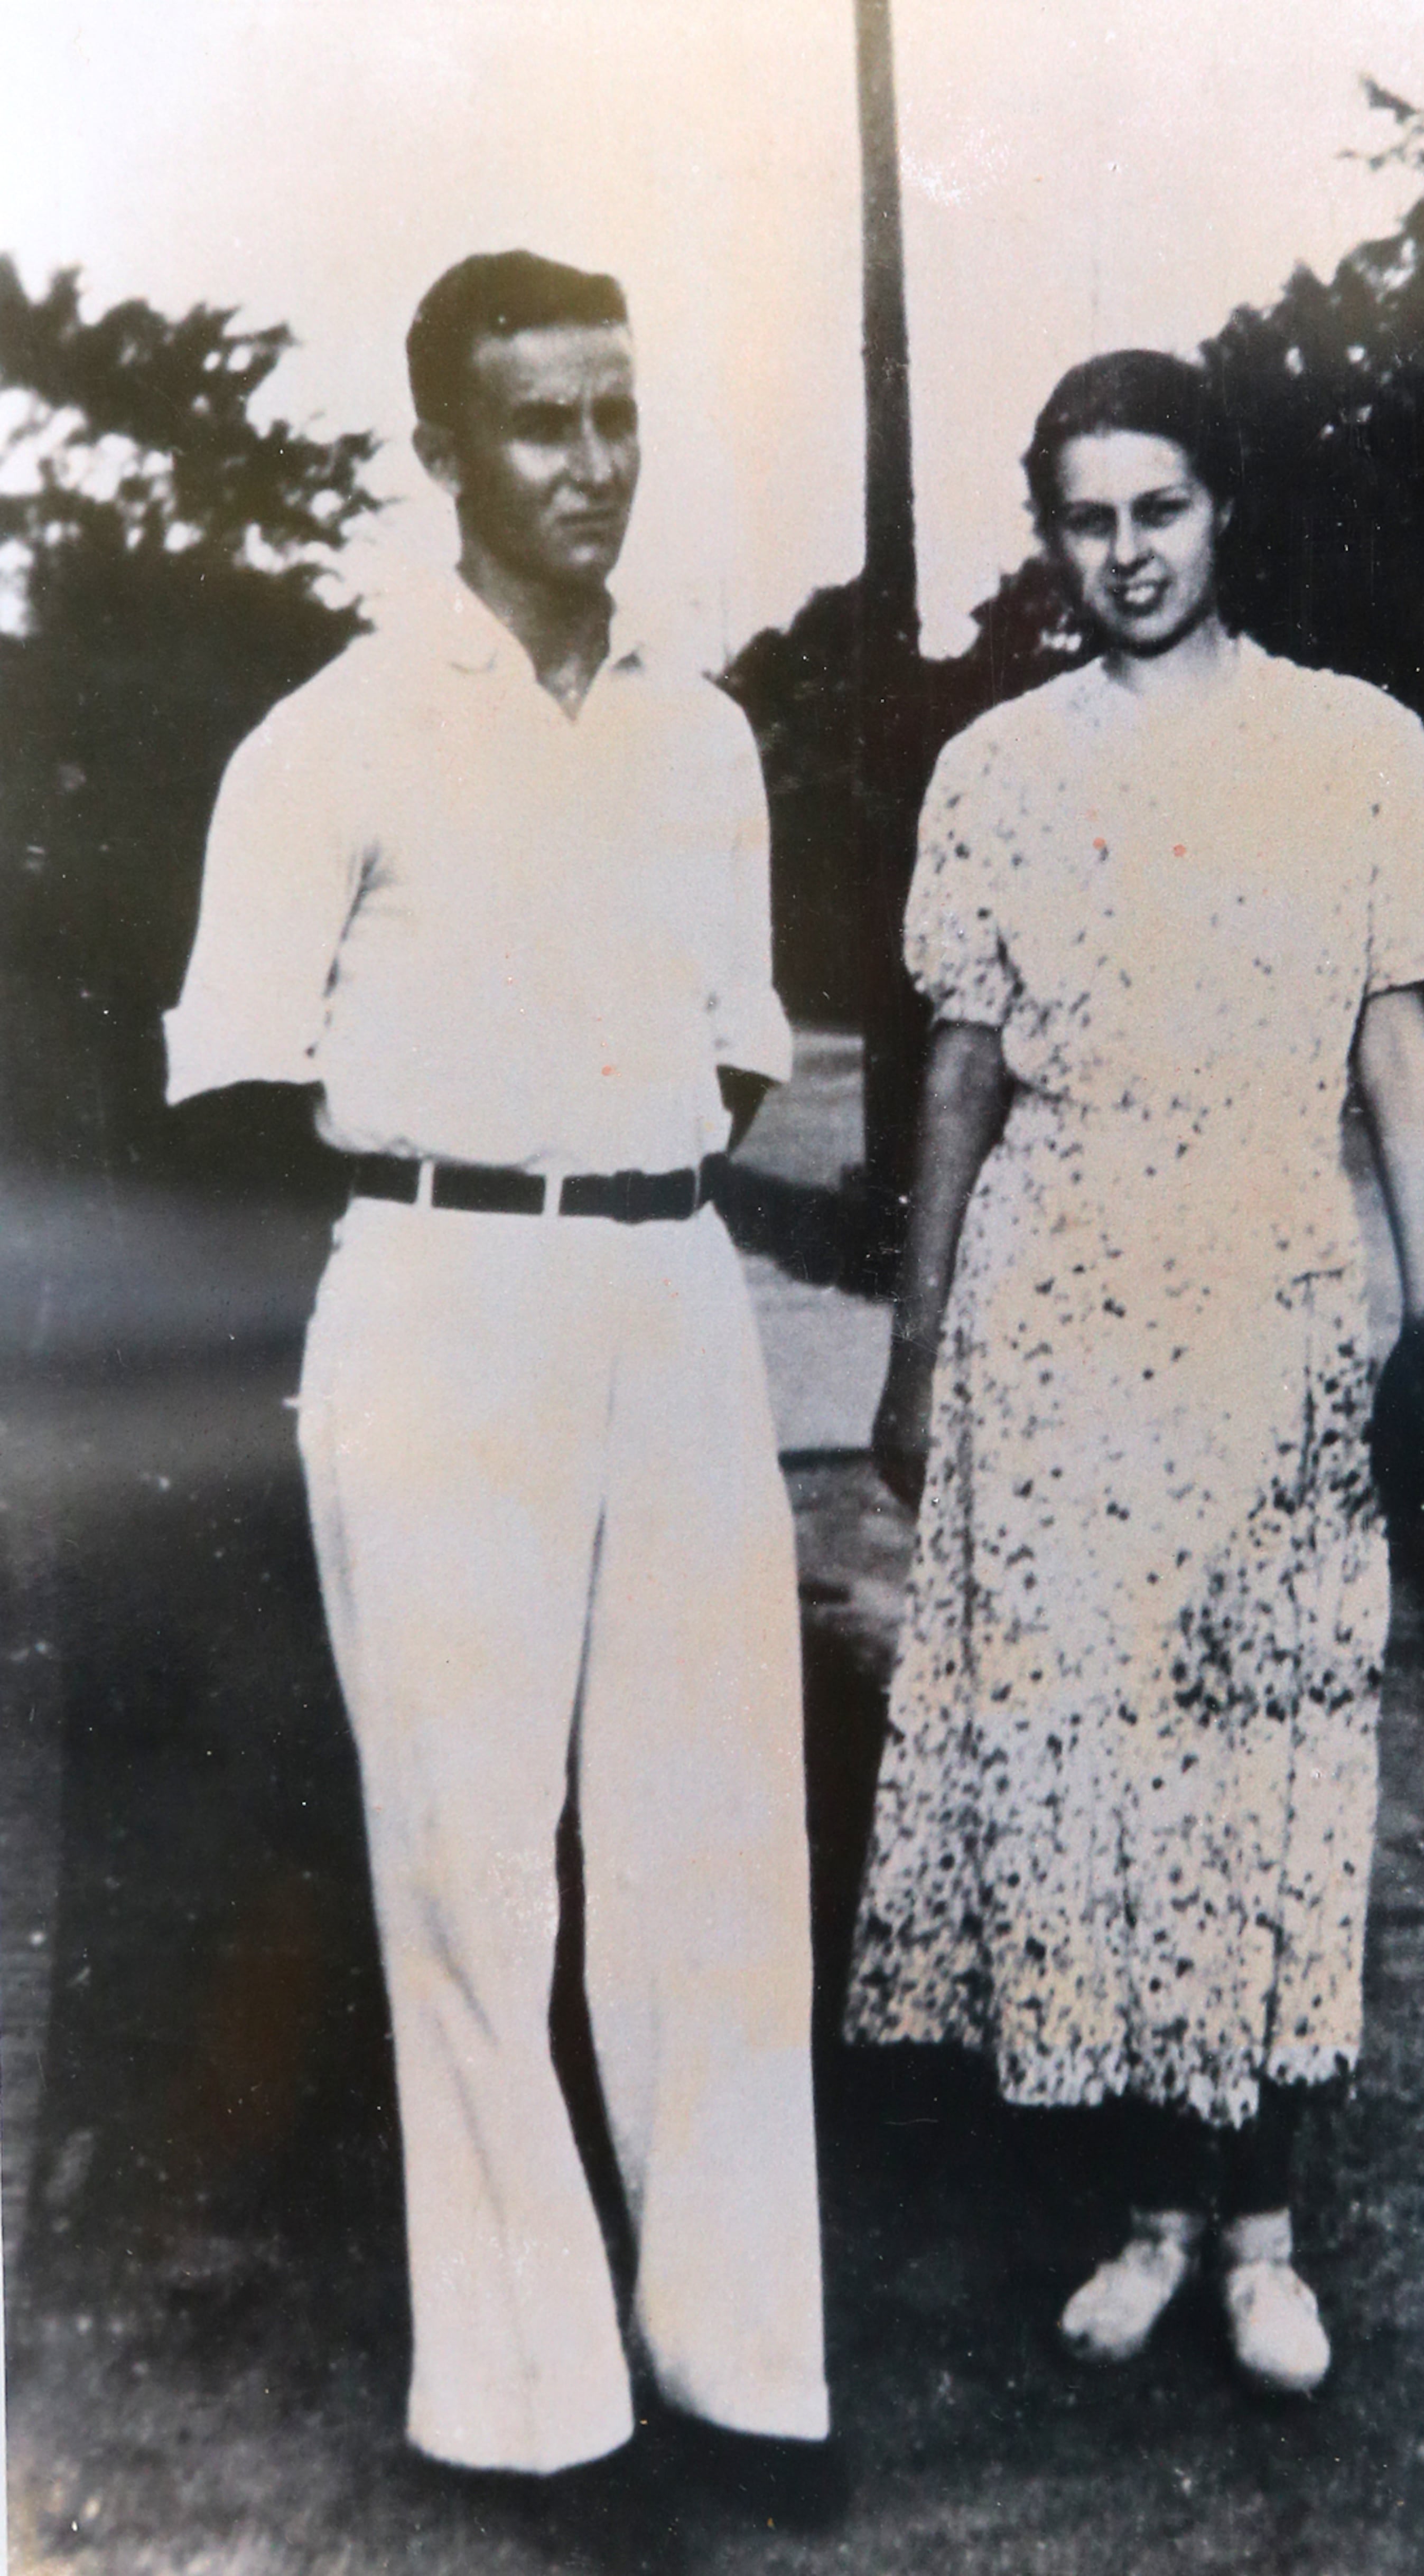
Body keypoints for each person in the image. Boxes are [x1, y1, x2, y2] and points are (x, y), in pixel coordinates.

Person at [163, 252, 830, 2485]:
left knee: (716, 1838)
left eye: (620, 415)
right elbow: (246, 1095)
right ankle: (537, 2407)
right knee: (472, 1861)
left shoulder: (700, 728)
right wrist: (462, 1226)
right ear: (442, 447)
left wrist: (614, 1193)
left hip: (670, 1297)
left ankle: (744, 2369)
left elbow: (738, 1053)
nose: (594, 464)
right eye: (543, 423)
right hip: (438, 1297)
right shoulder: (333, 737)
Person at [845, 350, 1424, 2398]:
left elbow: (1391, 1043)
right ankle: (1148, 2215)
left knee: (1266, 1744)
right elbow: (959, 1073)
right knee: (1100, 1765)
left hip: (1269, 1294)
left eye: (1160, 512)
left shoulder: (1354, 747)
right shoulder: (1001, 774)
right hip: (1056, 1310)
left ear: (1225, 513)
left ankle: (1268, 2230)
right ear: (1054, 539)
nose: (1124, 555)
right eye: (1086, 520)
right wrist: (919, 1359)